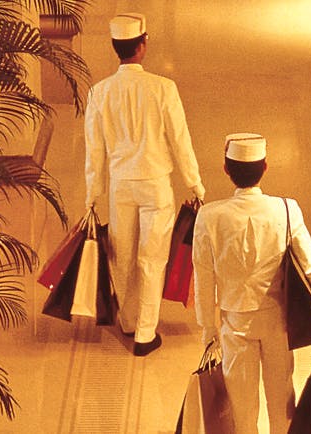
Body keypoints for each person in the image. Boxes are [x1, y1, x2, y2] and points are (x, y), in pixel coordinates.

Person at [193, 133, 311, 433]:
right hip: (278, 323)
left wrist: (208, 328)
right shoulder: (286, 210)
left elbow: (204, 276)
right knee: (282, 404)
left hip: (234, 324)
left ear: (226, 169)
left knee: (242, 411)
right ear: (265, 168)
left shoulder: (209, 216)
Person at [85, 13, 205, 357]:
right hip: (155, 185)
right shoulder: (163, 89)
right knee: (152, 259)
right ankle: (145, 334)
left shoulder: (99, 93)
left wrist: (92, 195)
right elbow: (180, 141)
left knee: (122, 255)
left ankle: (127, 319)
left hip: (121, 185)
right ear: (142, 46)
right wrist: (194, 184)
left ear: (115, 48)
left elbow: (95, 152)